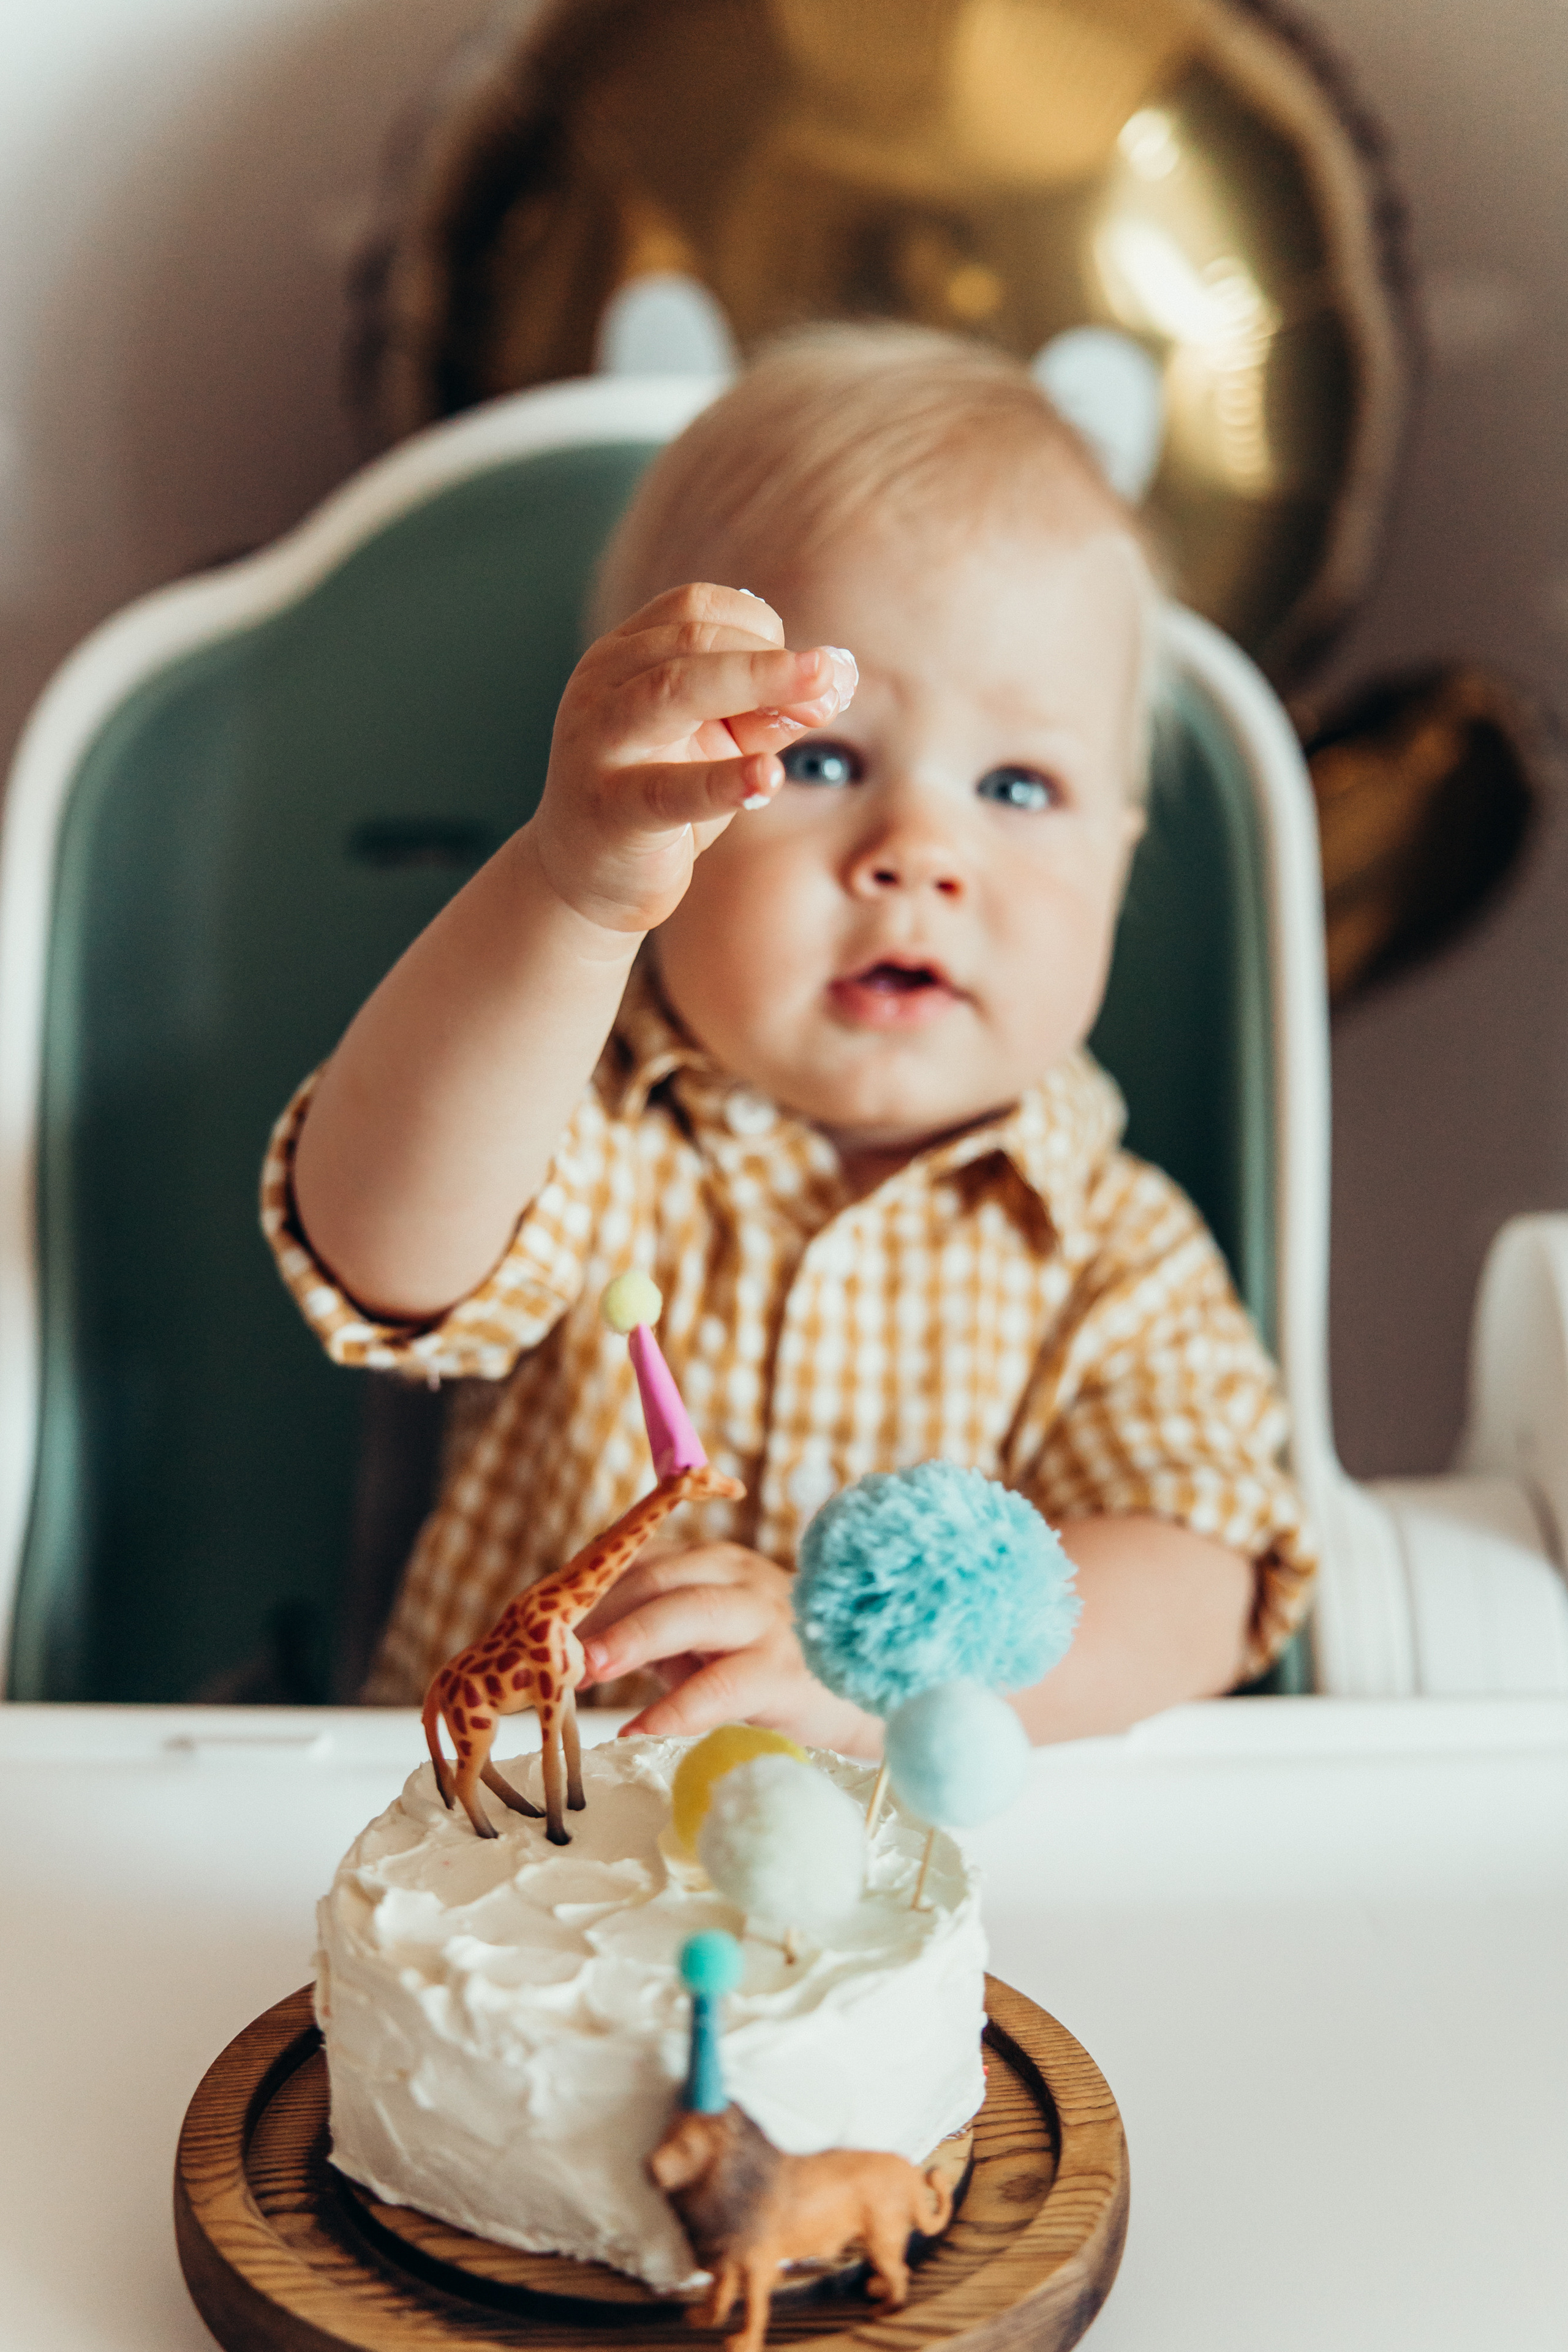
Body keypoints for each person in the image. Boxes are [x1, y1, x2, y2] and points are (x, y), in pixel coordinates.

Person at [262, 324, 1314, 1755]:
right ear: (663, 801)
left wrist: (881, 1676)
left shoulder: (1111, 1252)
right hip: (509, 1852)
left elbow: (1201, 1571)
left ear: (1119, 856)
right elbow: (380, 1234)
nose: (917, 851)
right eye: (818, 759)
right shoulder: (595, 1123)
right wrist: (570, 888)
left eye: (1015, 786)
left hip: (909, 1876)